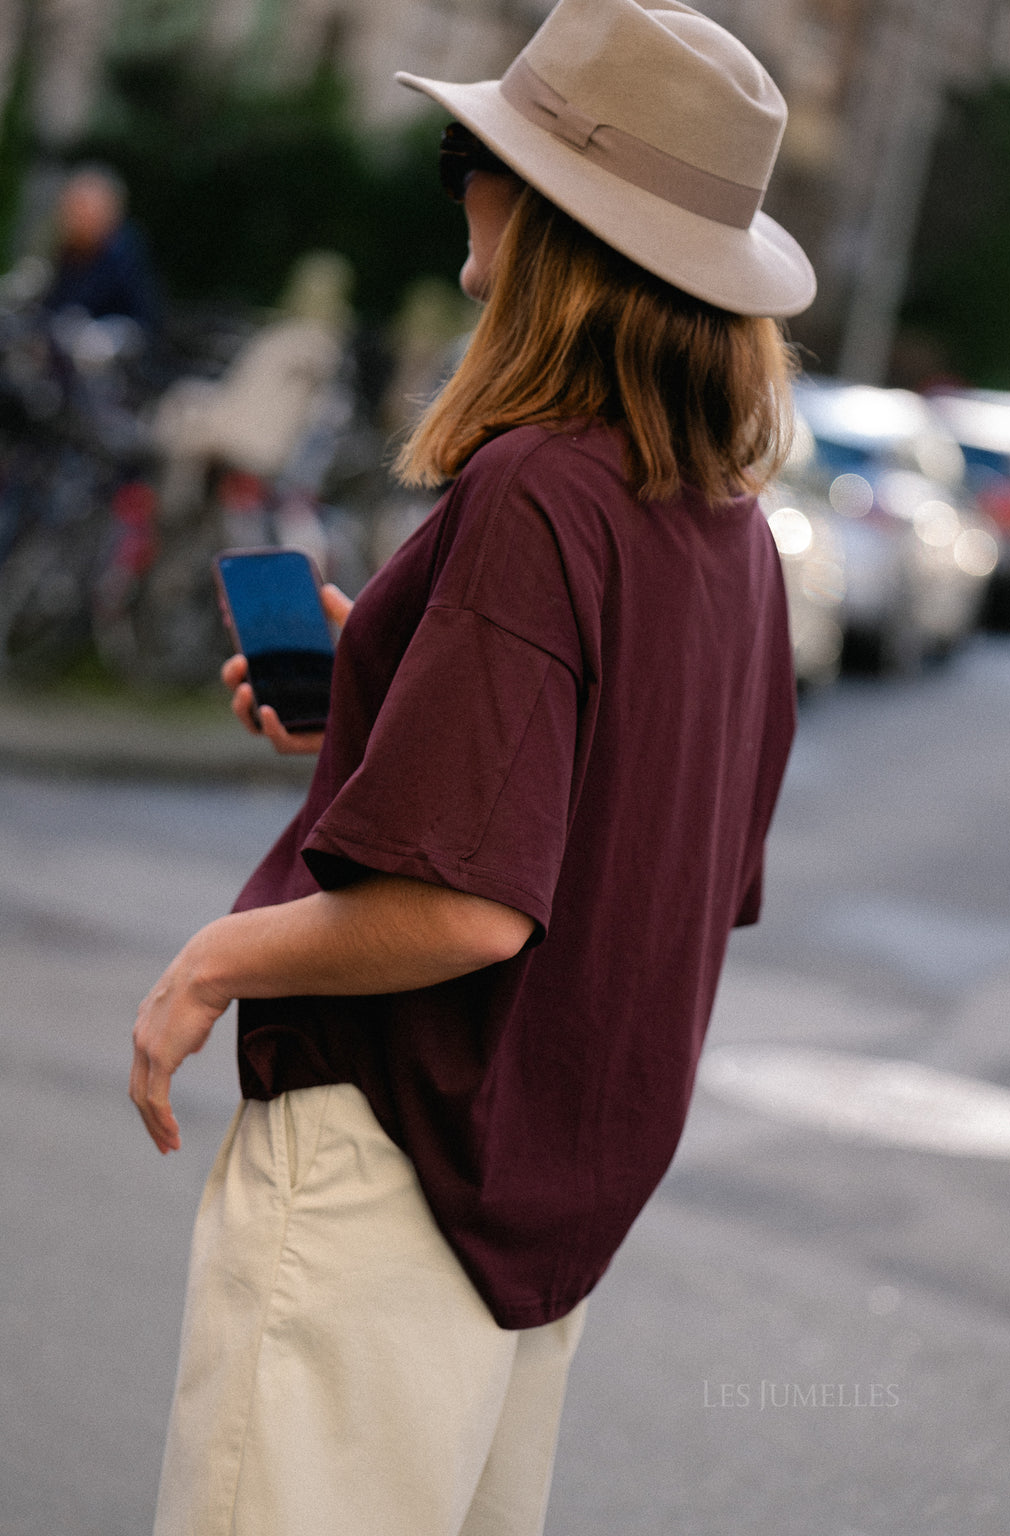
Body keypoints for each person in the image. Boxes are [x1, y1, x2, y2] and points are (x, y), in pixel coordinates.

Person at [130, 3, 815, 1533]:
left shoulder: (537, 489)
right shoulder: (730, 535)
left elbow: (467, 910)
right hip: (541, 1222)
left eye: (477, 153)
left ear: (560, 214)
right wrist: (386, 695)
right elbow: (629, 840)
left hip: (390, 1181)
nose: (465, 186)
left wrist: (213, 961)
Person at [44, 166, 161, 335]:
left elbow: (144, 319)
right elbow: (52, 307)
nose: (76, 216)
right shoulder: (67, 252)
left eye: (83, 207)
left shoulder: (124, 253)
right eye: (71, 207)